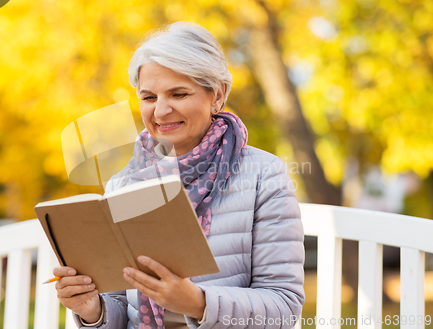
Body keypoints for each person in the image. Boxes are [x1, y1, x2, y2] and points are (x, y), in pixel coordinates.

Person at [53, 21, 305, 329]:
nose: (160, 112)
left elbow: (284, 308)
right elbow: (122, 308)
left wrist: (196, 303)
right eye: (148, 97)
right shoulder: (123, 183)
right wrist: (92, 310)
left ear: (217, 95)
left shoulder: (264, 175)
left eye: (178, 94)